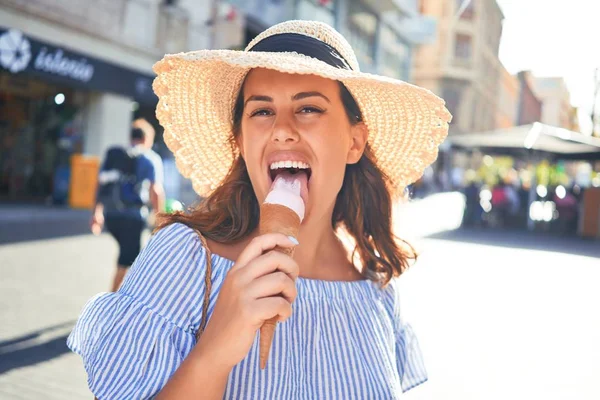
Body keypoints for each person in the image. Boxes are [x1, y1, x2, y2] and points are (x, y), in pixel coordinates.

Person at [69, 20, 451, 399]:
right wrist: (214, 351)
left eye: (309, 108)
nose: (282, 129)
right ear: (240, 140)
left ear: (354, 142)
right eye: (261, 112)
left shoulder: (377, 287)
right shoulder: (184, 257)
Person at [90, 126, 165, 291]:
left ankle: (120, 296)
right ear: (147, 139)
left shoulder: (115, 156)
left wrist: (97, 213)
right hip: (132, 217)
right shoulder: (149, 158)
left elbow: (100, 184)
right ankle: (112, 301)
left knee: (129, 259)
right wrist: (160, 219)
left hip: (111, 216)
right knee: (127, 262)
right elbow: (155, 191)